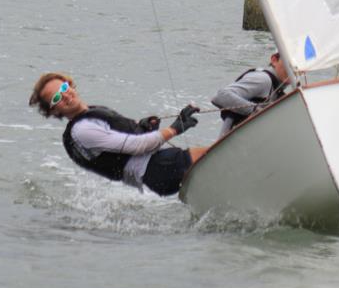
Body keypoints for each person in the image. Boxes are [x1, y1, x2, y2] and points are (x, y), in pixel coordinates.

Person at [28, 72, 209, 196]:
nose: (65, 95)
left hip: (157, 169)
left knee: (210, 160)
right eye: (57, 98)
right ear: (53, 111)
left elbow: (125, 137)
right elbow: (136, 146)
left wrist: (143, 126)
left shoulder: (91, 115)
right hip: (158, 169)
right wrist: (175, 128)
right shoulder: (82, 130)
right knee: (211, 156)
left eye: (63, 88)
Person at [210, 51, 289, 137]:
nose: (294, 68)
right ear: (274, 60)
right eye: (289, 62)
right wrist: (257, 111)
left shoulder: (279, 92)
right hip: (230, 145)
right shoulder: (263, 79)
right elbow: (221, 96)